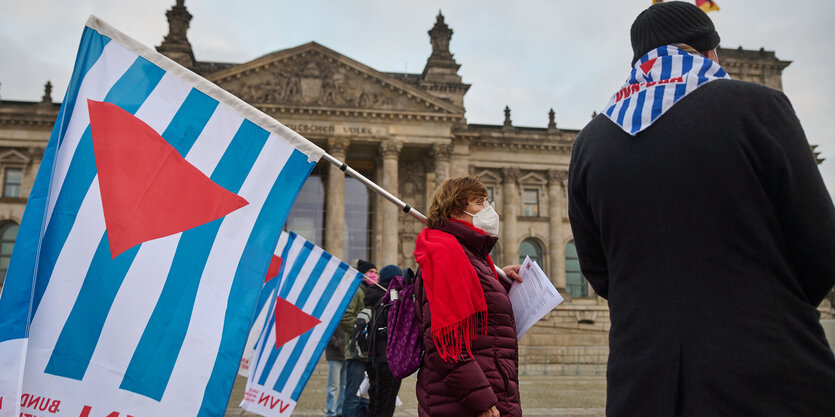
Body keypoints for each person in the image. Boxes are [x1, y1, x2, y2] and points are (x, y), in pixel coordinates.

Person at [567, 2, 835, 416]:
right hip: (769, 371)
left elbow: (599, 270)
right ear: (709, 52)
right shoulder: (759, 106)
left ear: (639, 61)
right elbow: (822, 247)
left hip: (641, 382)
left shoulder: (590, 142)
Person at [413, 176, 523, 417]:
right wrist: (480, 401)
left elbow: (481, 320)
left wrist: (501, 278)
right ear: (454, 209)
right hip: (466, 402)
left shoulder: (472, 257)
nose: (489, 209)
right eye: (479, 202)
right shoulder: (444, 256)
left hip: (492, 387)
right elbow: (445, 344)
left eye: (487, 201)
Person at [363, 264, 402, 417]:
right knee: (385, 404)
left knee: (377, 401)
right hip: (387, 358)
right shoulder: (390, 298)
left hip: (375, 357)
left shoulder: (374, 296)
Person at [339, 260, 376, 417]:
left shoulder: (369, 292)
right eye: (371, 272)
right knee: (354, 396)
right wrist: (362, 334)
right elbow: (345, 317)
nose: (374, 275)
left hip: (367, 353)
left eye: (376, 271)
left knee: (364, 397)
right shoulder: (356, 291)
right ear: (362, 275)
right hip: (356, 353)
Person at [324, 327, 346, 417]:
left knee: (344, 386)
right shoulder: (333, 314)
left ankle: (340, 411)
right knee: (333, 386)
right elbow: (326, 330)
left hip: (347, 354)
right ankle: (330, 413)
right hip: (334, 355)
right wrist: (336, 343)